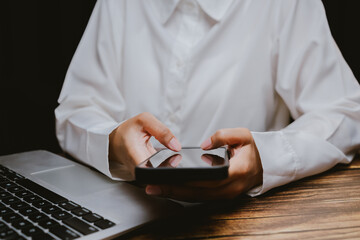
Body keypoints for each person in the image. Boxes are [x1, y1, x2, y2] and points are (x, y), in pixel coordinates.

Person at [55, 0, 360, 202]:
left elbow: (346, 112)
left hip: (243, 220)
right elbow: (76, 110)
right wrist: (112, 142)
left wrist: (265, 159)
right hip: (124, 209)